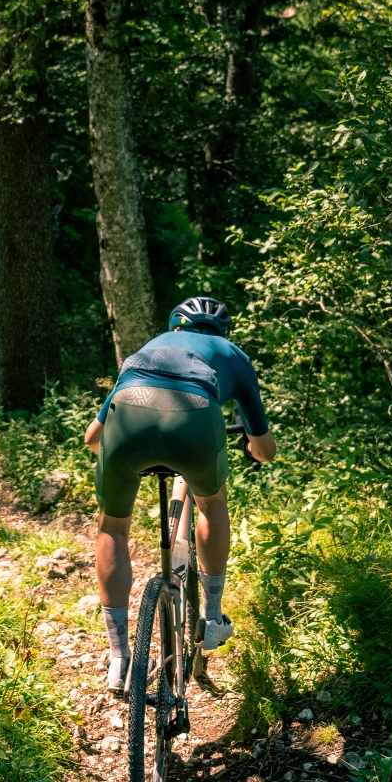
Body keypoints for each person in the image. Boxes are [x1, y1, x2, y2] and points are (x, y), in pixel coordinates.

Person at [83, 295, 277, 692]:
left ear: (176, 326)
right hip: (196, 416)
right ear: (222, 332)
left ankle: (119, 659)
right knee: (212, 503)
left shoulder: (151, 347)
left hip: (128, 413)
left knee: (113, 528)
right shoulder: (232, 354)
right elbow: (265, 450)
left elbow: (92, 439)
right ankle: (212, 617)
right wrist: (251, 448)